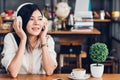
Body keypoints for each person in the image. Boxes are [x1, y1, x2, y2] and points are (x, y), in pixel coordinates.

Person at [1, 3, 57, 78]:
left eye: (40, 19)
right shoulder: (10, 38)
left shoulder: (48, 39)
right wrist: (23, 39)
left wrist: (43, 39)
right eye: (31, 19)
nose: (36, 23)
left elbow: (49, 71)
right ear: (20, 22)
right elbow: (13, 72)